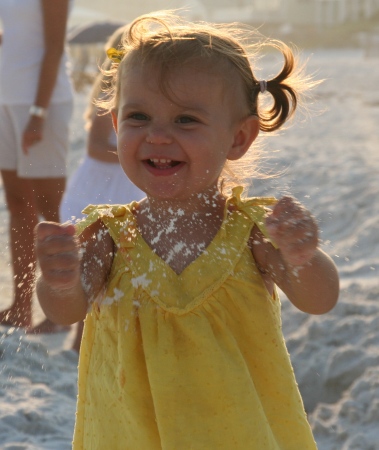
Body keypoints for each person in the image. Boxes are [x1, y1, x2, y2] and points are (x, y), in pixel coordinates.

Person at [34, 12, 340, 449]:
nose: (158, 136)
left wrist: (304, 259)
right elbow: (66, 311)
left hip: (236, 433)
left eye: (186, 121)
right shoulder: (108, 235)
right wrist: (60, 281)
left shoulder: (251, 232)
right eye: (138, 116)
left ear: (239, 138)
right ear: (116, 125)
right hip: (133, 432)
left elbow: (320, 299)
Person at [60, 25, 144, 352]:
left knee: (124, 264)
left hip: (130, 184)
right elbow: (95, 147)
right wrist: (135, 155)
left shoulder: (145, 96)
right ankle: (80, 336)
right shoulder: (107, 96)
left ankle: (115, 335)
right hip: (101, 187)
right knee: (94, 260)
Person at [0, 0, 74, 332]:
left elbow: (55, 47)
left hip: (44, 105)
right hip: (5, 100)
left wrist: (39, 113)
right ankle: (21, 307)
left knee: (54, 213)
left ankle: (66, 309)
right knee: (18, 204)